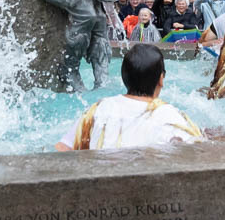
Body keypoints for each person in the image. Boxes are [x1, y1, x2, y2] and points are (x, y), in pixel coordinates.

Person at [55, 43, 203, 151]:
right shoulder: (170, 116)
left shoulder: (98, 109)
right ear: (161, 79)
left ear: (124, 77)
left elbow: (62, 148)